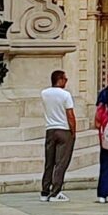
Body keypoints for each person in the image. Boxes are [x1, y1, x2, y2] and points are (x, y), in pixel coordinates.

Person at [38, 70, 77, 201]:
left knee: (49, 161)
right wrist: (73, 131)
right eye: (65, 79)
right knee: (61, 162)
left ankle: (44, 190)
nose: (66, 81)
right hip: (64, 129)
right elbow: (70, 115)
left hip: (50, 128)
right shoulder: (66, 95)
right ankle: (55, 192)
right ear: (59, 80)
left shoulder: (44, 93)